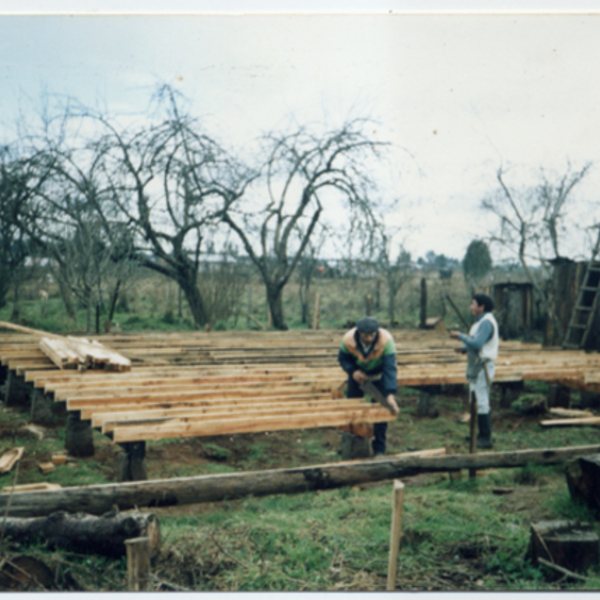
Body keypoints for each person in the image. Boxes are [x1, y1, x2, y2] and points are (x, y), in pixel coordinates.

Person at [338, 316, 399, 456]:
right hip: (357, 375)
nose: (369, 338)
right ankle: (352, 445)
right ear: (359, 333)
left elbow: (390, 368)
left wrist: (390, 395)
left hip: (379, 375)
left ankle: (379, 449)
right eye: (365, 335)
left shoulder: (386, 340)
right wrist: (353, 371)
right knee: (353, 409)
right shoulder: (348, 339)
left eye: (372, 335)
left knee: (380, 412)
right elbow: (342, 358)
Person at [450, 293, 499, 449]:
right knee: (475, 399)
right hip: (477, 365)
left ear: (481, 307)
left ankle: (485, 438)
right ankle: (478, 434)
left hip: (483, 366)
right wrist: (465, 348)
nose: (471, 307)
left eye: (473, 304)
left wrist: (461, 337)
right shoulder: (480, 322)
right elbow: (479, 344)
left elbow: (478, 344)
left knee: (482, 401)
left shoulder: (486, 322)